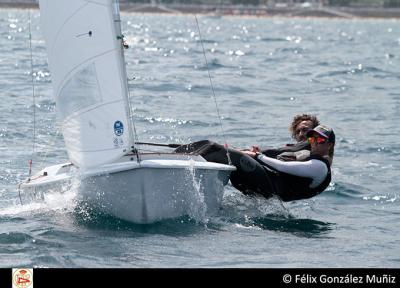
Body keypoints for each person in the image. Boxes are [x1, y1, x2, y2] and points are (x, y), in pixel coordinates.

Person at [174, 124, 335, 202]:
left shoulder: (320, 167)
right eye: (312, 138)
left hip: (268, 187)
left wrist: (258, 156)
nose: (315, 142)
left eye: (320, 140)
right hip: (266, 186)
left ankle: (175, 160)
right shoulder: (309, 157)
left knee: (213, 148)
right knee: (226, 154)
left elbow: (282, 167)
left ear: (329, 145)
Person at [249, 114, 320, 161]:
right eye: (298, 132)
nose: (300, 134)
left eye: (305, 130)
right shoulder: (294, 149)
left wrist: (259, 152)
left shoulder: (312, 144)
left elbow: (279, 151)